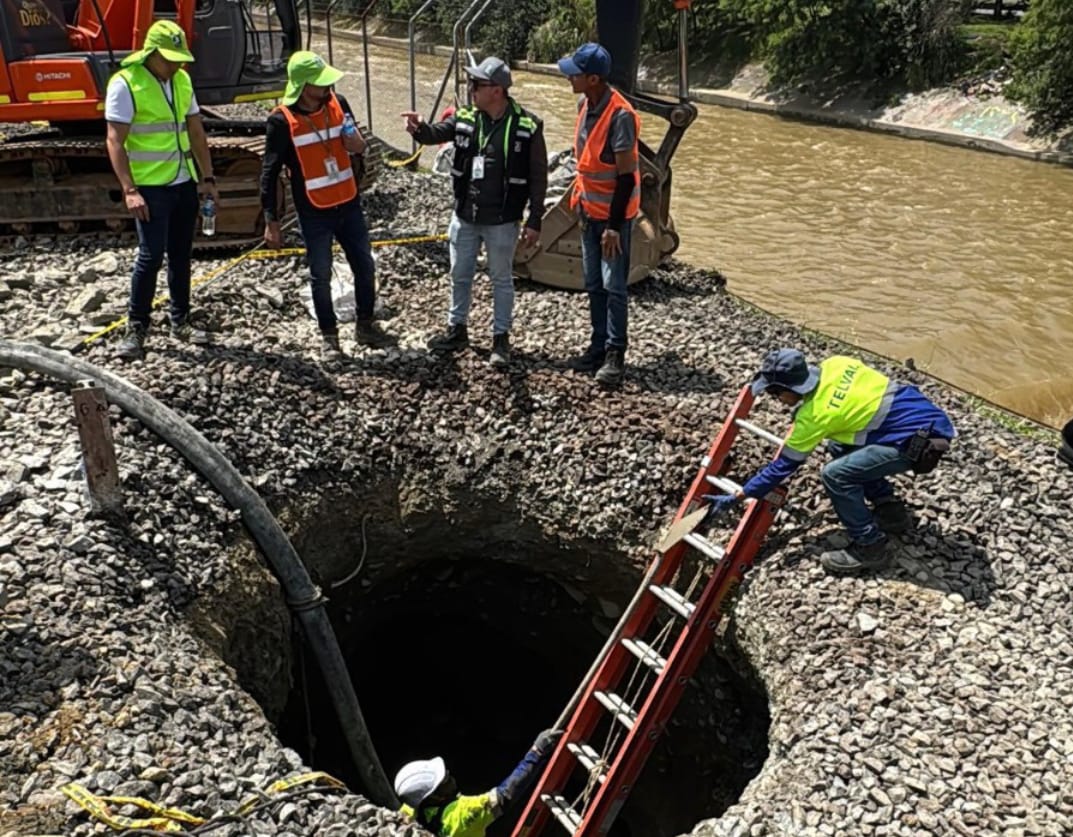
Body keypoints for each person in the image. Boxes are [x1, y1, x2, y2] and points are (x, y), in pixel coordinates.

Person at [706, 349, 956, 575]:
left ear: (791, 389)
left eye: (774, 393)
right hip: (927, 416)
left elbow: (781, 467)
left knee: (835, 475)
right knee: (838, 444)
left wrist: (739, 496)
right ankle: (889, 510)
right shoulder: (837, 364)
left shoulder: (814, 415)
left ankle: (871, 546)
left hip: (919, 444)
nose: (775, 400)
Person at [402, 56, 547, 368]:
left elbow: (539, 177)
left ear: (496, 90)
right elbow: (435, 133)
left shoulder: (528, 126)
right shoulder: (466, 118)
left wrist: (535, 219)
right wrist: (418, 129)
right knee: (460, 274)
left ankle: (500, 339)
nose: (470, 89)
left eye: (476, 84)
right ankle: (457, 330)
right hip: (465, 215)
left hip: (502, 220)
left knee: (501, 278)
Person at [260, 50, 392, 359]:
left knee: (365, 265)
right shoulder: (281, 121)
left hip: (348, 203)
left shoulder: (338, 103)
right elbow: (269, 173)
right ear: (303, 86)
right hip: (314, 211)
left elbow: (357, 142)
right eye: (320, 84)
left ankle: (365, 325)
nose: (326, 89)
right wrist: (272, 221)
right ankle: (329, 337)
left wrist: (359, 146)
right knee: (320, 274)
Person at [105, 20, 218, 360]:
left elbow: (196, 132)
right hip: (150, 188)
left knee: (181, 253)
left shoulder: (181, 80)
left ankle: (179, 319)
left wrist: (207, 179)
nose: (176, 64)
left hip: (183, 182)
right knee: (150, 256)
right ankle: (136, 327)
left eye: (179, 57)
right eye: (169, 58)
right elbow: (115, 140)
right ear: (151, 53)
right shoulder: (126, 83)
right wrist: (129, 190)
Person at [558, 43, 640, 387]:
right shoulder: (584, 105)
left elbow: (624, 177)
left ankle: (615, 354)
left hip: (612, 219)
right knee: (593, 283)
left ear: (593, 78)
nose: (568, 77)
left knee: (614, 285)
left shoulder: (620, 116)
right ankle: (597, 345)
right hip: (589, 211)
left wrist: (613, 227)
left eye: (575, 73)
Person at [394, 728, 561, 837]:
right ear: (435, 796)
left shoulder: (411, 809)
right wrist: (536, 753)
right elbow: (505, 795)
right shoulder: (460, 816)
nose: (450, 777)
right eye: (445, 780)